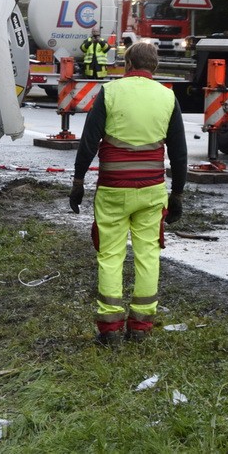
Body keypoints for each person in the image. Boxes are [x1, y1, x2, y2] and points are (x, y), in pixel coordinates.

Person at [68, 42, 187, 345]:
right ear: (155, 66)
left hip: (113, 189)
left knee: (110, 256)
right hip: (151, 191)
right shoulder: (167, 97)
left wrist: (78, 181)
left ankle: (109, 330)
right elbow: (179, 152)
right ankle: (140, 328)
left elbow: (89, 142)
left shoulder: (110, 93)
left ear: (129, 64)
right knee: (148, 254)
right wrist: (177, 195)